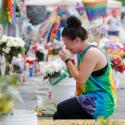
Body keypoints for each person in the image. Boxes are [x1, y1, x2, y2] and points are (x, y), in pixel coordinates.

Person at [53, 16, 117, 119]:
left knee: (62, 108)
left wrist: (67, 61)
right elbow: (79, 82)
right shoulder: (81, 52)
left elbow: (81, 80)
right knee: (58, 116)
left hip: (102, 101)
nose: (66, 48)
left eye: (66, 44)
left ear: (77, 40)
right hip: (91, 97)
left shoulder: (91, 53)